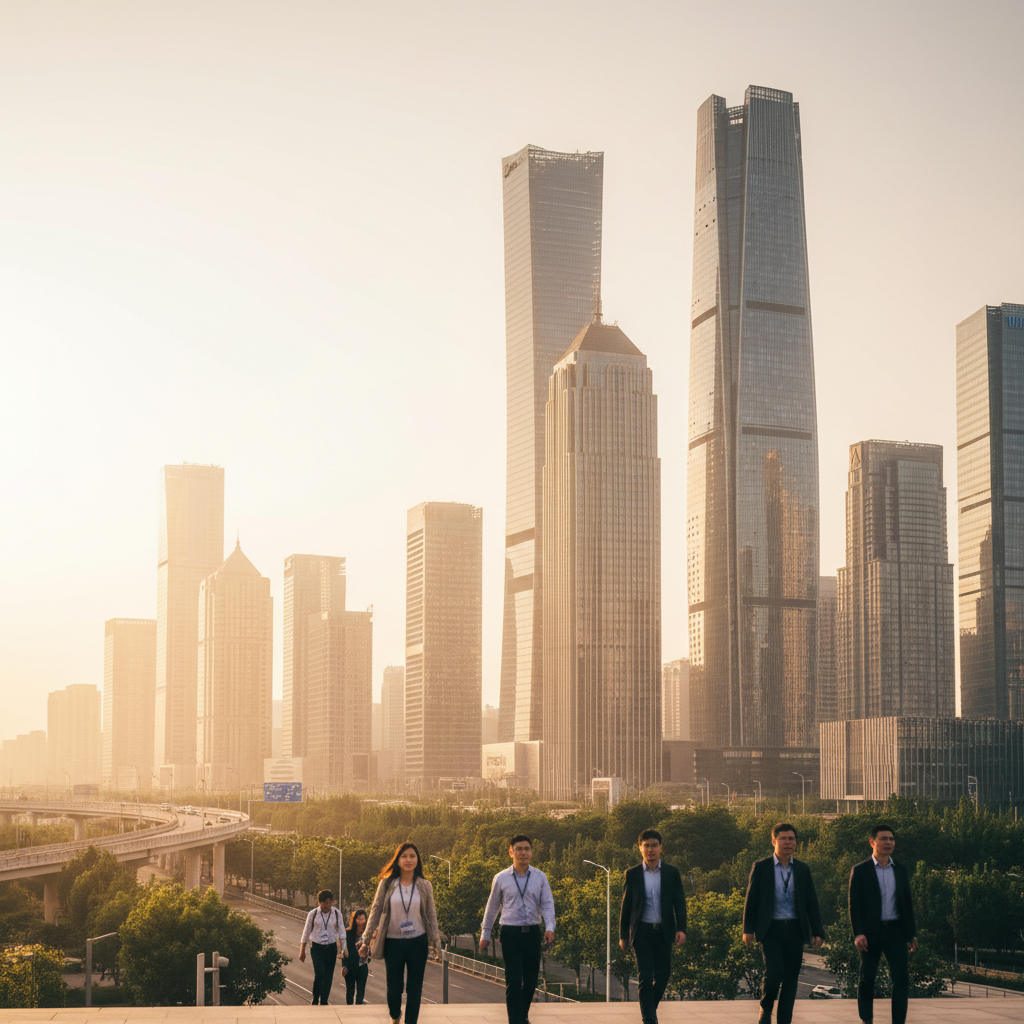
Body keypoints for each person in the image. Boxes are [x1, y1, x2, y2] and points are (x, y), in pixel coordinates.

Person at [742, 822, 824, 1024]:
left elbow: (811, 901)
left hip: (795, 929)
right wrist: (748, 929)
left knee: (791, 979)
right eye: (783, 839)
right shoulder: (761, 867)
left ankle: (785, 1019)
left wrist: (817, 931)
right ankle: (766, 1007)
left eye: (791, 839)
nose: (788, 843)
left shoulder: (802, 869)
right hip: (771, 929)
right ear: (773, 841)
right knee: (774, 974)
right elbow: (751, 900)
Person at [361, 842, 442, 1024]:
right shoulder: (387, 884)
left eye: (412, 856)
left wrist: (437, 944)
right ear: (397, 860)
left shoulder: (424, 885)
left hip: (417, 942)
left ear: (417, 860)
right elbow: (375, 911)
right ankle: (395, 1014)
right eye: (404, 856)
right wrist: (366, 941)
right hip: (393, 942)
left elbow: (431, 915)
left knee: (415, 989)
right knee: (394, 989)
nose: (408, 860)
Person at [480, 835, 556, 1024]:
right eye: (519, 849)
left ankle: (521, 1016)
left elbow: (547, 904)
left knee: (531, 982)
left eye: (527, 849)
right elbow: (492, 908)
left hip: (532, 932)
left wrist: (550, 927)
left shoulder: (540, 877)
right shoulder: (501, 878)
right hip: (510, 933)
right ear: (511, 852)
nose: (523, 852)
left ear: (531, 852)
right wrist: (485, 934)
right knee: (514, 981)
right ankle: (517, 1020)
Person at [849, 824, 918, 1024]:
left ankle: (898, 1020)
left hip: (896, 931)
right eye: (883, 839)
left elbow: (907, 904)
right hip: (870, 933)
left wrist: (911, 933)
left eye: (891, 839)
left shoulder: (901, 870)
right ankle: (866, 1019)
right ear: (872, 842)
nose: (888, 843)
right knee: (867, 979)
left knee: (901, 979)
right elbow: (854, 905)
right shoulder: (860, 870)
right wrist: (858, 933)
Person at [618, 829, 687, 1024]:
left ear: (661, 847)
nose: (650, 849)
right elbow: (626, 907)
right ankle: (649, 1018)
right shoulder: (632, 874)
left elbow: (679, 902)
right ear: (640, 848)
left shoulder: (671, 873)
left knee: (663, 977)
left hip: (665, 932)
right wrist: (624, 935)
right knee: (645, 978)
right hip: (642, 933)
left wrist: (681, 928)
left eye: (654, 845)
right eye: (646, 845)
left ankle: (649, 1009)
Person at [299, 889, 346, 1005]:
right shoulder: (313, 913)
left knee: (329, 975)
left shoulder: (336, 913)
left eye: (330, 902)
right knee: (319, 973)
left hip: (331, 948)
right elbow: (306, 932)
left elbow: (342, 932)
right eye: (325, 903)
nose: (328, 905)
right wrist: (302, 951)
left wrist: (344, 949)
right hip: (317, 948)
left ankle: (324, 1000)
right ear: (319, 902)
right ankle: (315, 998)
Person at [342, 908, 370, 1005]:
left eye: (362, 919)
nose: (361, 922)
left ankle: (359, 1010)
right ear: (354, 920)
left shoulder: (368, 933)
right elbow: (344, 950)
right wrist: (344, 965)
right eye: (358, 919)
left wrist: (369, 955)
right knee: (350, 990)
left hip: (363, 966)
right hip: (350, 966)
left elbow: (371, 948)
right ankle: (349, 1011)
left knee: (361, 991)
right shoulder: (348, 933)